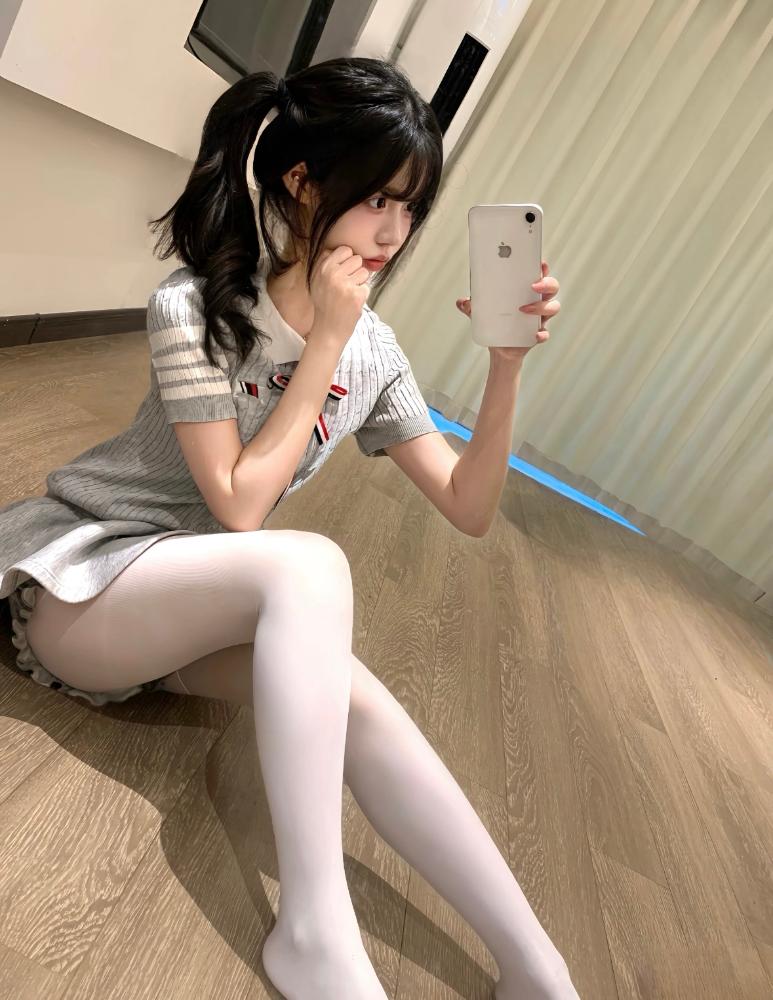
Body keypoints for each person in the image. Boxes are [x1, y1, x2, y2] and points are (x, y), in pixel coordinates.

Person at [0, 57, 578, 999]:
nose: (392, 232)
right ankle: (312, 925)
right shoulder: (194, 308)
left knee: (358, 699)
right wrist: (325, 345)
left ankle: (535, 965)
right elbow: (238, 503)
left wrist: (505, 366)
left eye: (410, 208)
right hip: (87, 590)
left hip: (186, 621)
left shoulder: (376, 353)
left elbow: (468, 507)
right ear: (304, 183)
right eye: (376, 199)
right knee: (307, 567)